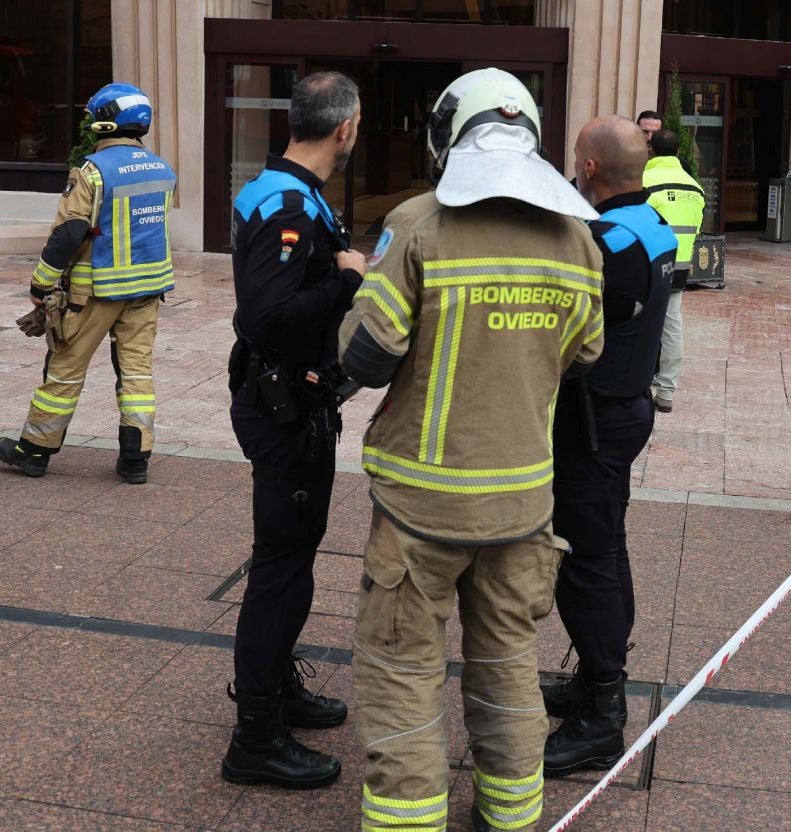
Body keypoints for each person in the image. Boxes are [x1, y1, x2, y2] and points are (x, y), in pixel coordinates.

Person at [339, 69, 605, 832]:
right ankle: (512, 818)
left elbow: (367, 356)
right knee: (507, 668)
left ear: (444, 137)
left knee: (401, 673)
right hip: (522, 501)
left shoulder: (419, 223)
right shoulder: (575, 238)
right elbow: (585, 354)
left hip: (421, 505)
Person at [219, 71, 365, 791]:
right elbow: (270, 316)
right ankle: (256, 737)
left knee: (290, 559)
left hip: (284, 401)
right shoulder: (288, 203)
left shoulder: (275, 188)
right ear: (345, 129)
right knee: (281, 568)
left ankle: (278, 688)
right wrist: (345, 279)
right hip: (283, 409)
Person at [543, 117, 676, 776]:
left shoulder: (605, 244)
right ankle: (596, 679)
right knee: (605, 550)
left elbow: (559, 331)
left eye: (576, 161)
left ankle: (602, 713)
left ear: (590, 168)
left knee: (585, 563)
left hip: (592, 422)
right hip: (624, 411)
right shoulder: (650, 225)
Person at [0, 83, 175, 484]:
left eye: (94, 116)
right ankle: (135, 460)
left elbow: (69, 233)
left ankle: (34, 452)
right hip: (147, 290)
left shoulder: (93, 171)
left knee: (64, 369)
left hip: (95, 293)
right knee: (136, 374)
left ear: (106, 121)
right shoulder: (162, 169)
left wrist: (41, 287)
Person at [643, 128, 705, 414]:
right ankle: (666, 391)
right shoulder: (695, 188)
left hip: (646, 264)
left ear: (651, 150)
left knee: (638, 323)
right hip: (679, 266)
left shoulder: (645, 181)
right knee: (672, 325)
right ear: (678, 152)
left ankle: (639, 383)